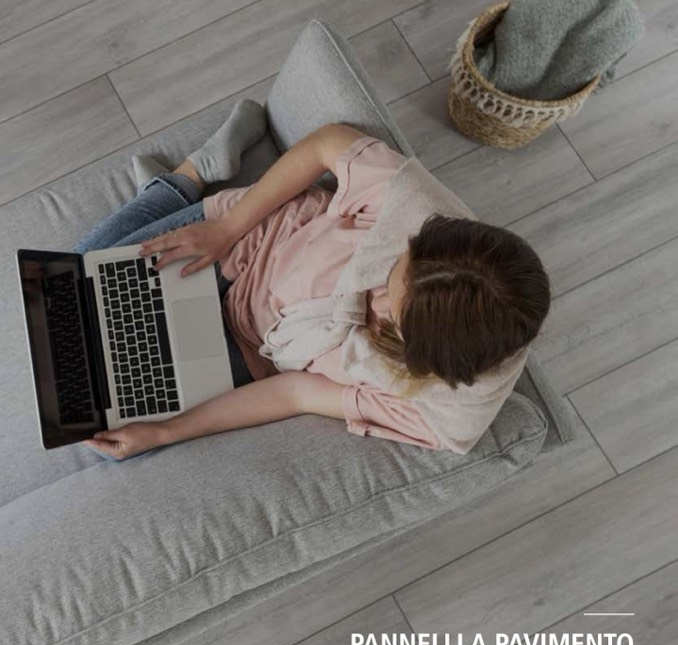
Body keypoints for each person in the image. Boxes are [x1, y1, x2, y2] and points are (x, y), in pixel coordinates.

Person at [76, 111, 551, 462]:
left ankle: (164, 193)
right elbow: (328, 142)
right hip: (248, 243)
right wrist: (226, 228)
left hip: (248, 349)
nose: (373, 293)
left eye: (391, 309)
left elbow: (296, 393)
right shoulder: (422, 214)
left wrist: (167, 432)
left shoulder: (437, 410)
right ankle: (189, 176)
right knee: (72, 281)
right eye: (395, 266)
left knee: (99, 420)